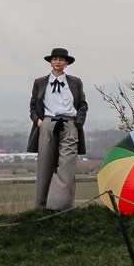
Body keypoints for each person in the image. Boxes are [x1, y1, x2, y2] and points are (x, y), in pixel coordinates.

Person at [27, 48, 88, 210]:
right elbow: (33, 106)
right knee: (45, 165)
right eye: (55, 59)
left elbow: (82, 104)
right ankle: (42, 206)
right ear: (50, 62)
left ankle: (61, 207)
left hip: (69, 124)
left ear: (66, 63)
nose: (58, 62)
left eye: (61, 59)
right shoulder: (40, 82)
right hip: (47, 124)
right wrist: (39, 122)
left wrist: (77, 123)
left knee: (67, 165)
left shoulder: (75, 82)